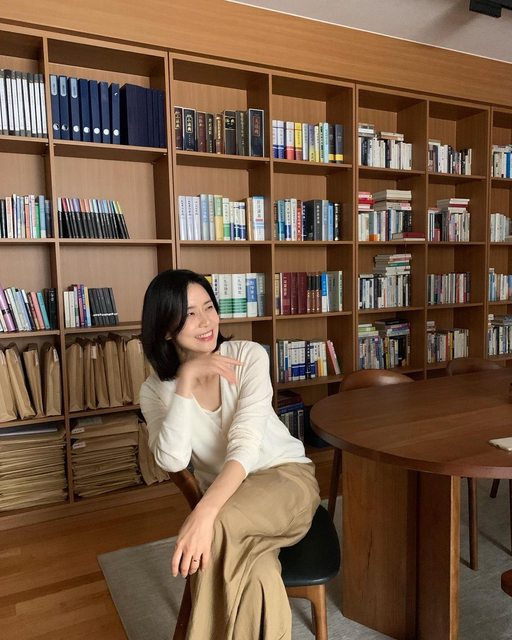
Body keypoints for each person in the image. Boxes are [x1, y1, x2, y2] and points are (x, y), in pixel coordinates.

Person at [139, 268, 320, 640]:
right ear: (166, 328)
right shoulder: (154, 390)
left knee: (215, 528)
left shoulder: (248, 356)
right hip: (232, 498)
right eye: (190, 313)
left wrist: (203, 513)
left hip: (285, 479)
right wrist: (185, 381)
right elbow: (172, 461)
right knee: (259, 574)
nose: (206, 321)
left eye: (209, 307)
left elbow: (246, 444)